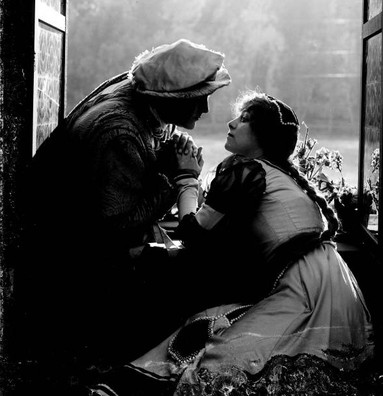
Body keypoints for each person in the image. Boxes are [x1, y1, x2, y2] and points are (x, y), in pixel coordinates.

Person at [88, 90, 374, 396]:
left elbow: (193, 233)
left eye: (245, 118)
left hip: (306, 292)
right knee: (210, 327)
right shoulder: (273, 173)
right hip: (336, 286)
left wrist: (186, 177)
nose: (232, 122)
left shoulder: (246, 170)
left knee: (217, 362)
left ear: (262, 134)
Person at [14, 39, 231, 371]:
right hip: (73, 266)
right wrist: (178, 176)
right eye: (198, 100)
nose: (204, 110)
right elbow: (112, 228)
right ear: (169, 99)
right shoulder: (118, 132)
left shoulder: (142, 98)